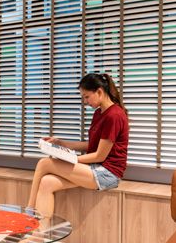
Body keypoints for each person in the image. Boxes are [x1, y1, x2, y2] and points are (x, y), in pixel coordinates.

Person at [28, 73, 129, 220]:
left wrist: (71, 158)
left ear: (99, 91)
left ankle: (29, 210)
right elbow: (92, 146)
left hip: (107, 174)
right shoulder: (99, 114)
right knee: (46, 183)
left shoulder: (114, 115)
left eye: (87, 97)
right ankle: (40, 238)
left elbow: (100, 156)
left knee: (45, 163)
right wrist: (60, 143)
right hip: (94, 168)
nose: (85, 101)